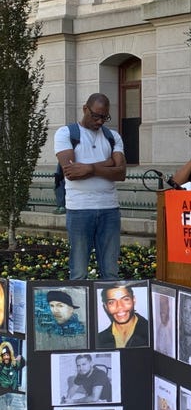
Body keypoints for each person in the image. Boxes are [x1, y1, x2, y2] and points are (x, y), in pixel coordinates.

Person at [54, 93, 127, 280]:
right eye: (96, 116)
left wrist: (90, 168)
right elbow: (70, 173)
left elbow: (121, 173)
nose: (100, 121)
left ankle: (107, 308)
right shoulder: (66, 133)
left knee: (111, 271)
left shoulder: (113, 137)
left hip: (109, 209)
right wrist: (108, 163)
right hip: (79, 209)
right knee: (78, 271)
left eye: (105, 117)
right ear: (85, 109)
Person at [96, 284, 149, 349]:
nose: (119, 306)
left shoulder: (152, 332)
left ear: (133, 300)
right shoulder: (99, 339)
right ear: (106, 307)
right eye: (112, 302)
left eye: (125, 299)